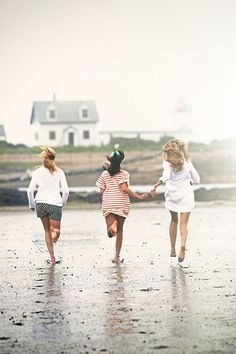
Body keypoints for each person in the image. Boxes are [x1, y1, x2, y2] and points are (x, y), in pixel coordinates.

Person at [150, 139, 200, 264]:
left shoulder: (167, 163)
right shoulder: (187, 162)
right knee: (183, 224)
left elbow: (166, 177)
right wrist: (190, 182)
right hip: (186, 195)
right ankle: (183, 245)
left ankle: (172, 249)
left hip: (172, 195)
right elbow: (197, 179)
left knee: (174, 220)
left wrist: (156, 185)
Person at [96, 150, 148, 264]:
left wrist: (108, 190)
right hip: (122, 203)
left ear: (110, 160)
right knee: (120, 231)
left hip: (109, 202)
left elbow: (101, 190)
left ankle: (113, 224)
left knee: (110, 233)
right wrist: (138, 196)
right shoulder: (124, 174)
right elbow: (124, 189)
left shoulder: (104, 174)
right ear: (121, 161)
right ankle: (117, 257)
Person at [27, 146, 69, 265]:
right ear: (54, 158)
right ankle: (53, 239)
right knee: (55, 231)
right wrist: (62, 203)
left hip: (40, 203)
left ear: (43, 159)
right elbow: (66, 191)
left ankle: (52, 258)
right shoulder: (59, 172)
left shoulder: (37, 172)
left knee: (46, 231)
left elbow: (30, 191)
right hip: (55, 204)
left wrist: (32, 204)